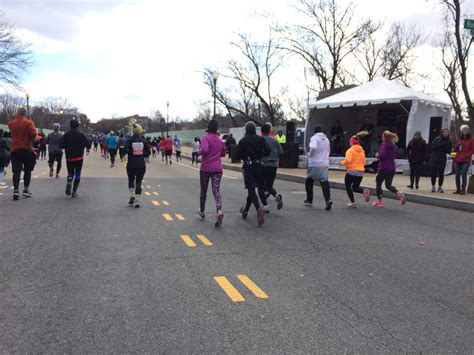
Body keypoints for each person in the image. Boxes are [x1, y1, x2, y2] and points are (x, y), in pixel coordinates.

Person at [237, 121, 271, 226]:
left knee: (251, 189)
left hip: (249, 166)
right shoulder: (261, 139)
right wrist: (261, 155)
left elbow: (238, 155)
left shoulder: (243, 140)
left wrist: (244, 157)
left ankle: (258, 209)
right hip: (259, 165)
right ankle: (246, 210)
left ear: (246, 130)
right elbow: (268, 151)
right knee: (257, 189)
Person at [199, 119, 227, 226]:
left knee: (203, 190)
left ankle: (202, 211)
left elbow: (205, 150)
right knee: (216, 190)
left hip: (205, 169)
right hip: (217, 169)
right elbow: (224, 153)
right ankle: (219, 210)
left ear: (208, 128)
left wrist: (199, 152)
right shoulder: (219, 140)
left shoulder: (205, 138)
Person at [8, 107, 37, 200]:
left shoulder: (11, 123)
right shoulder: (29, 123)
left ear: (17, 113)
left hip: (15, 149)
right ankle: (25, 190)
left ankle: (16, 191)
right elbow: (33, 134)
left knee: (16, 171)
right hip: (26, 149)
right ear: (25, 113)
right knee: (27, 170)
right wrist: (30, 140)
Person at [372, 131, 406, 207]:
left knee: (378, 184)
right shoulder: (394, 146)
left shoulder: (384, 145)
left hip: (384, 167)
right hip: (392, 168)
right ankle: (399, 193)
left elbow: (382, 155)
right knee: (388, 185)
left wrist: (377, 155)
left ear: (384, 137)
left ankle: (379, 201)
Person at [60, 119, 91, 198]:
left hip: (69, 157)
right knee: (78, 173)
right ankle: (74, 191)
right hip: (79, 158)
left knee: (70, 172)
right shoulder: (81, 135)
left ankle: (69, 180)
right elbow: (88, 145)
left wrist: (68, 145)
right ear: (78, 126)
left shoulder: (66, 135)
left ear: (70, 125)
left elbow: (61, 145)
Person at [304, 125, 332, 211]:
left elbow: (313, 147)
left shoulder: (314, 138)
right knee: (324, 181)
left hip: (314, 163)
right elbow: (328, 151)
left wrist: (309, 155)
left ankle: (309, 199)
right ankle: (328, 200)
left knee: (309, 180)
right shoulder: (326, 139)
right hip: (324, 163)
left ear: (315, 131)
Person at [340, 134, 370, 207]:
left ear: (351, 142)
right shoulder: (362, 151)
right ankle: (364, 191)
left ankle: (352, 202)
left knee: (348, 186)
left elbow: (348, 160)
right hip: (360, 172)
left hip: (351, 171)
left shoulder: (350, 150)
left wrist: (341, 163)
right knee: (355, 187)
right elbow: (364, 161)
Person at [259, 123, 283, 212]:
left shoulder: (260, 140)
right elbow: (281, 152)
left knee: (261, 186)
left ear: (261, 131)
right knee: (269, 185)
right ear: (270, 131)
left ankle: (265, 205)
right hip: (273, 165)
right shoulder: (275, 140)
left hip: (263, 165)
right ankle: (276, 196)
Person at [125, 124, 150, 208]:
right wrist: (142, 154)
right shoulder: (143, 141)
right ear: (140, 131)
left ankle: (131, 196)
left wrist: (130, 152)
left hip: (131, 164)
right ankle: (137, 200)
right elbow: (148, 152)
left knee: (131, 180)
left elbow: (124, 150)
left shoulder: (129, 140)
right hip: (141, 164)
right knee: (139, 182)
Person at [429, 128, 452, 193]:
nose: (446, 133)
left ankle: (440, 186)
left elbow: (449, 151)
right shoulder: (437, 139)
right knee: (433, 173)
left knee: (441, 174)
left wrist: (445, 146)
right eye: (444, 132)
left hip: (442, 158)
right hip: (434, 158)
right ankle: (433, 186)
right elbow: (432, 147)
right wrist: (440, 145)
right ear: (442, 133)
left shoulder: (449, 141)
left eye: (447, 132)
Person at [453, 125, 474, 195]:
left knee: (464, 174)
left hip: (466, 160)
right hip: (458, 159)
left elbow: (472, 149)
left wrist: (467, 155)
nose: (465, 130)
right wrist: (457, 147)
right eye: (464, 129)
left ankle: (463, 189)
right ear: (462, 130)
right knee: (457, 175)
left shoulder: (471, 139)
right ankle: (458, 189)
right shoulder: (458, 139)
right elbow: (455, 150)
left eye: (467, 129)